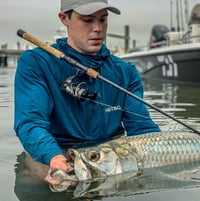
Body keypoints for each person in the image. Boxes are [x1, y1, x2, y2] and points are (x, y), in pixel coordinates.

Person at [14, 0, 160, 186]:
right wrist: (54, 157)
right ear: (64, 18)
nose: (98, 28)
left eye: (103, 19)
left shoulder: (126, 71)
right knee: (36, 181)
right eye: (88, 19)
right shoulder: (35, 63)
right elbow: (30, 123)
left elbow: (143, 129)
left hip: (110, 158)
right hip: (53, 154)